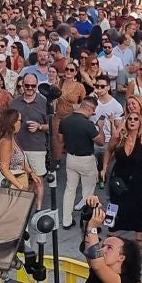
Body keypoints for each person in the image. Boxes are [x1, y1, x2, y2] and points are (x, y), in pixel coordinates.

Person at [100, 100, 142, 242]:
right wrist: (104, 168)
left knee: (137, 206)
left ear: (140, 123)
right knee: (114, 204)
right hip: (118, 176)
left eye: (136, 119)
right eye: (129, 118)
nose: (132, 121)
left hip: (138, 178)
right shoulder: (118, 138)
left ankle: (139, 236)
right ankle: (112, 231)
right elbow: (108, 151)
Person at [58, 94, 101, 228]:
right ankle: (87, 221)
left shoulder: (64, 120)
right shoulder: (88, 124)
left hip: (71, 158)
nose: (93, 113)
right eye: (93, 111)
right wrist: (100, 126)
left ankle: (66, 221)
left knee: (70, 189)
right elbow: (100, 141)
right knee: (88, 192)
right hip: (86, 159)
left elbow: (60, 140)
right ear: (89, 109)